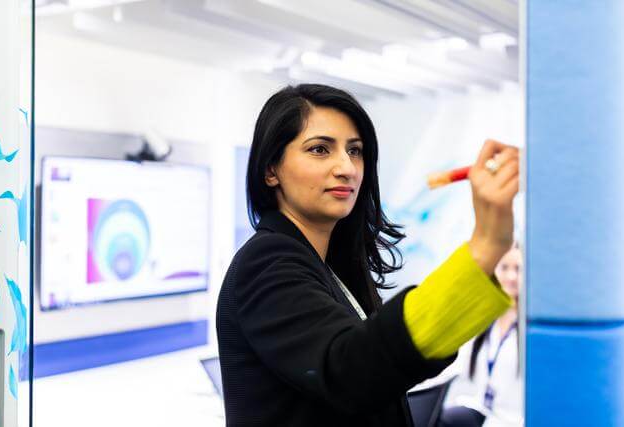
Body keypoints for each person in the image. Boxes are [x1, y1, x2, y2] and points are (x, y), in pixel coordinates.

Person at [216, 84, 519, 427]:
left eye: (355, 151)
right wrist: (485, 245)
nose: (347, 167)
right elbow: (351, 372)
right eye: (319, 149)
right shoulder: (267, 260)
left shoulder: (328, 266)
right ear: (271, 170)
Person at [438, 243, 522, 427]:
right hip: (482, 411)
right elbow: (454, 365)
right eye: (505, 267)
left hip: (512, 420)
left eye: (518, 269)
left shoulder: (529, 329)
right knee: (443, 418)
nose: (511, 276)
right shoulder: (485, 320)